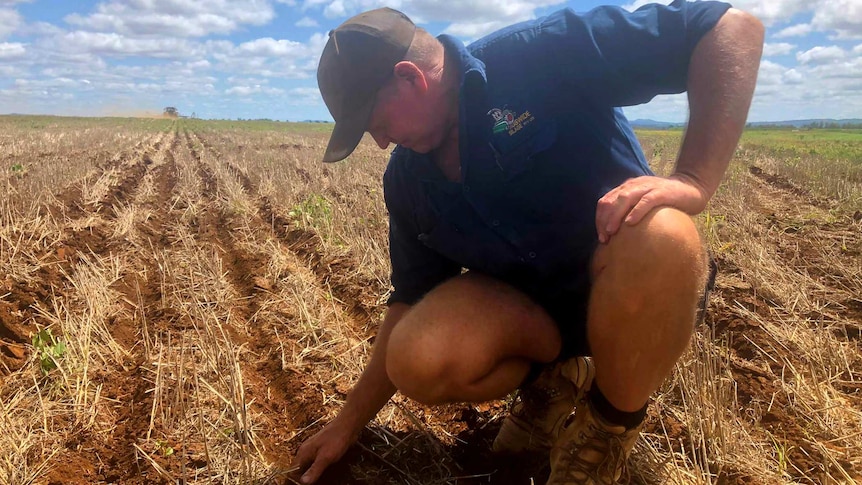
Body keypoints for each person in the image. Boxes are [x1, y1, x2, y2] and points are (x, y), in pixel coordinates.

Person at [294, 1, 763, 483]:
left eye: (378, 124)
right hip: (536, 321)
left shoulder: (543, 54)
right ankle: (555, 380)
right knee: (415, 357)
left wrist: (694, 178)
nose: (381, 143)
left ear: (411, 78)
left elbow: (730, 28)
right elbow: (410, 298)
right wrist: (347, 423)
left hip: (632, 289)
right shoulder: (408, 180)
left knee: (663, 230)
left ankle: (606, 427)